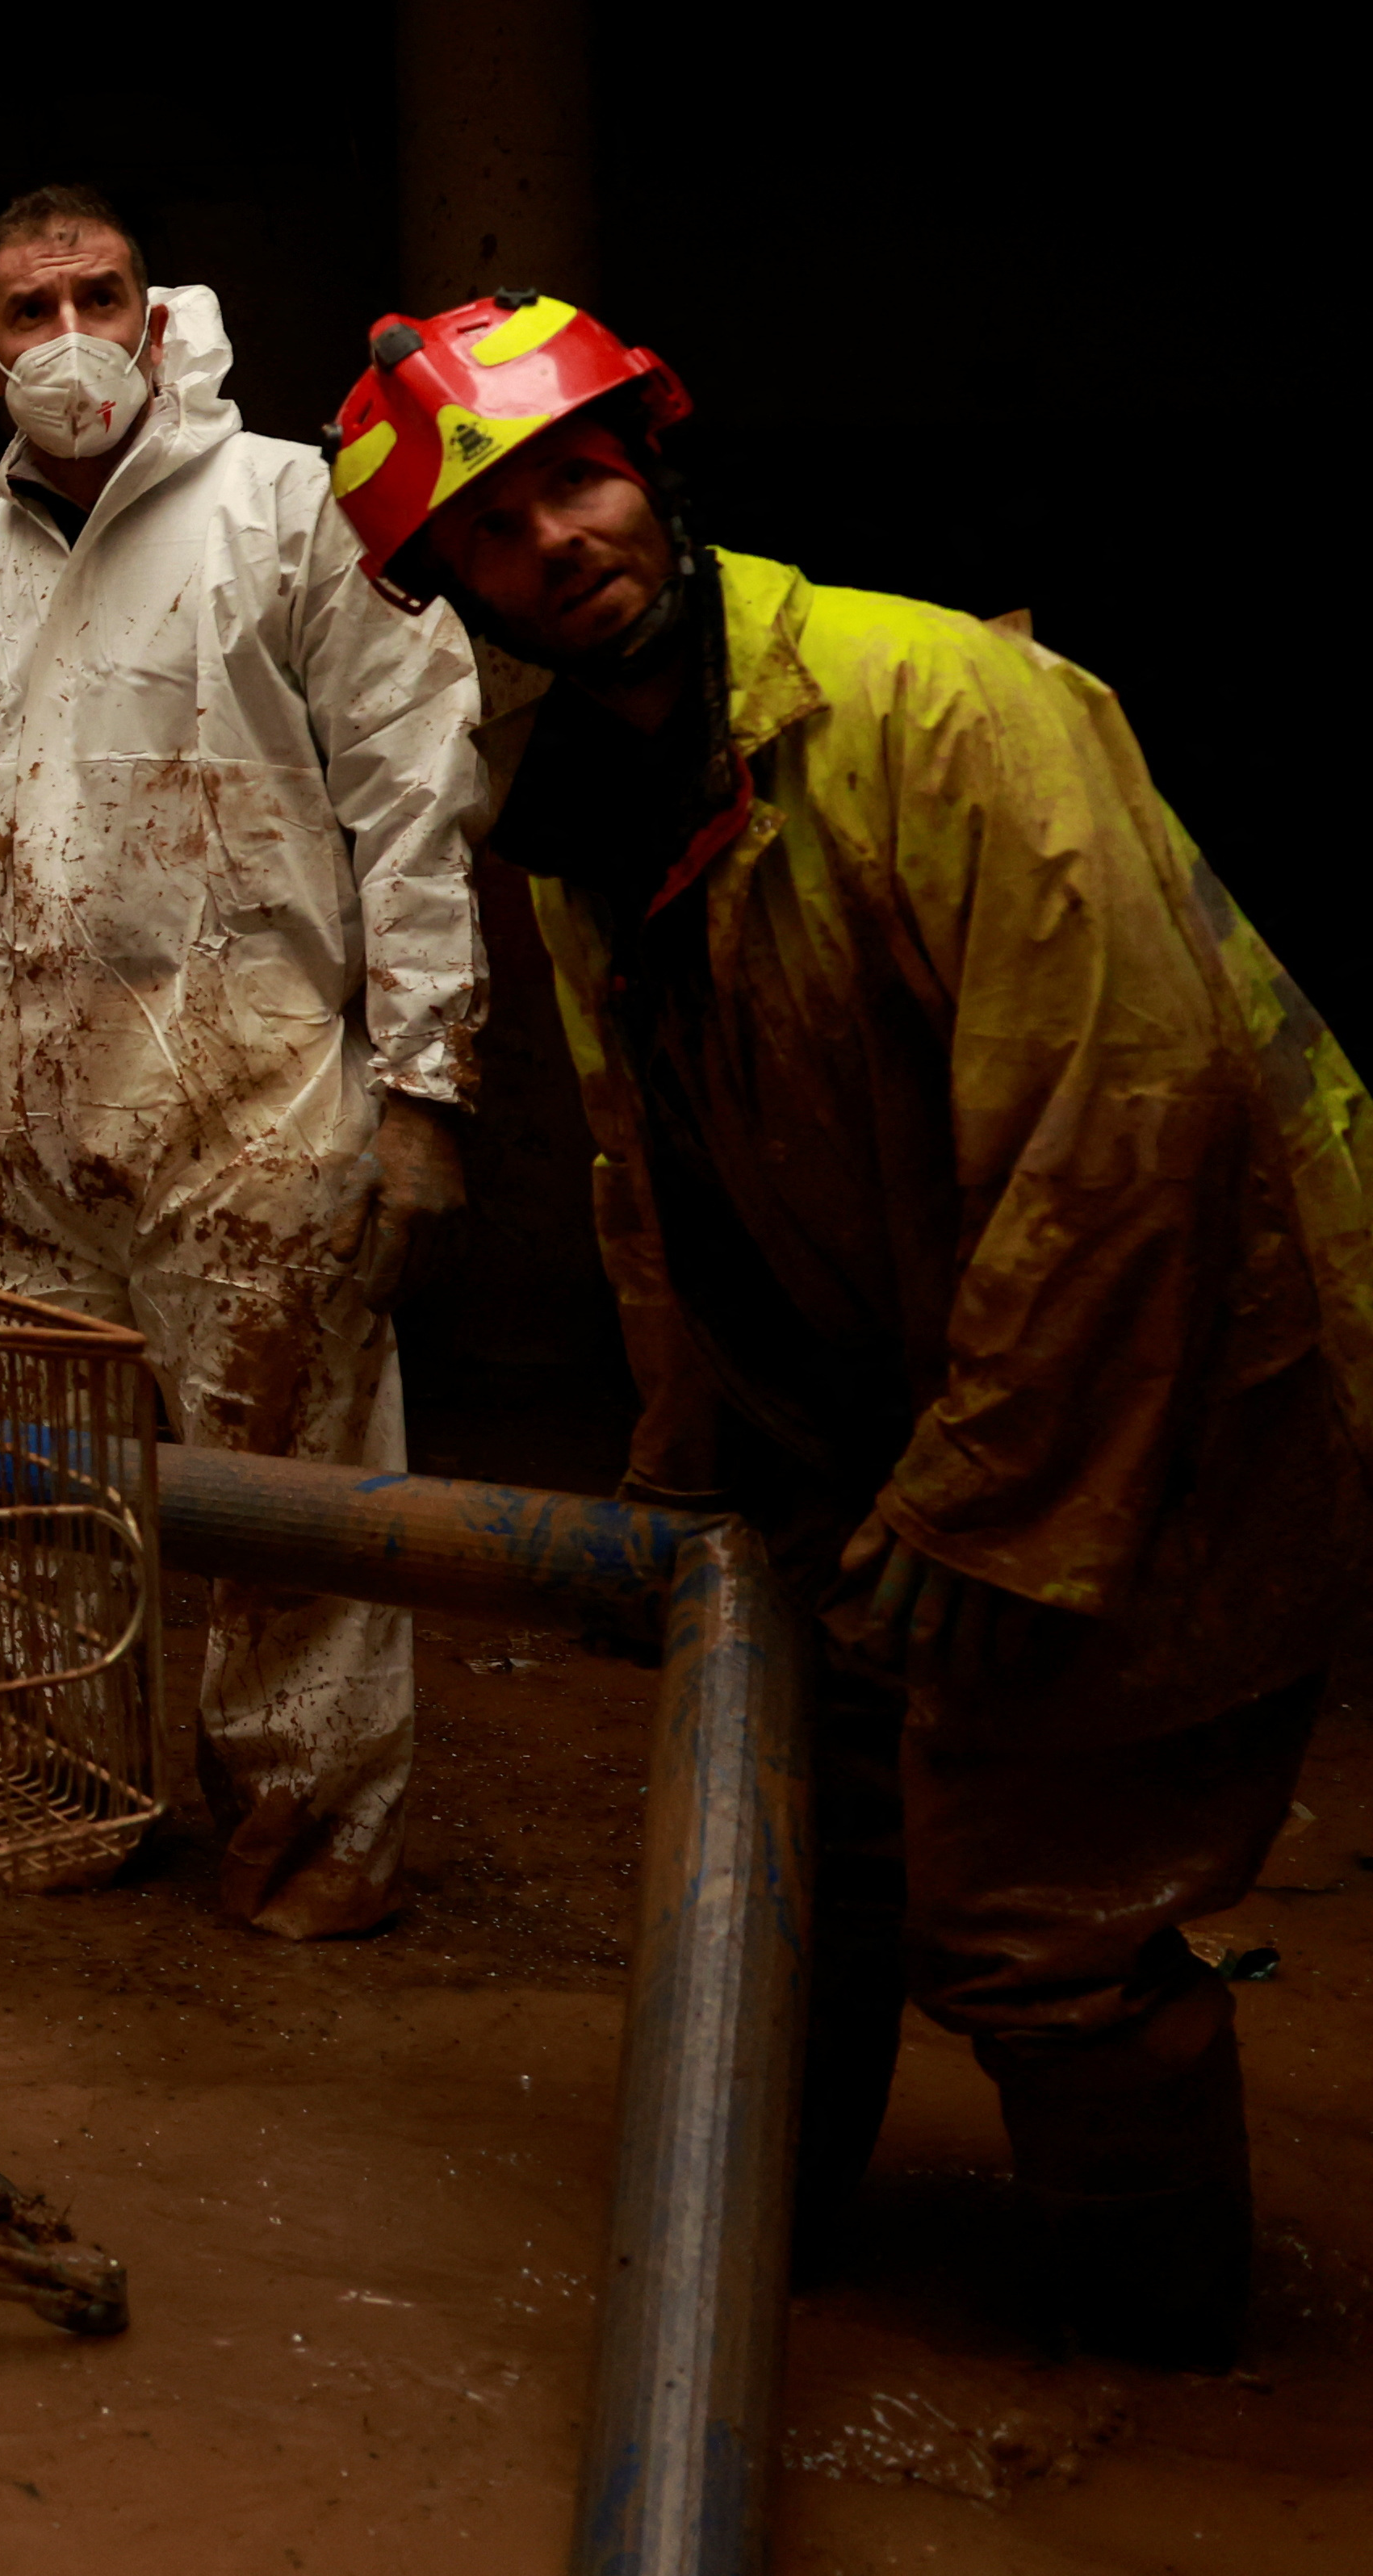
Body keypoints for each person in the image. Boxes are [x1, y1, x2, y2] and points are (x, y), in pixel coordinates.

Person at [337, 288, 1364, 2366]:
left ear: (657, 463)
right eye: (492, 526)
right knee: (789, 1827)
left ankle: (1147, 2352)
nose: (556, 540)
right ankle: (760, 2249)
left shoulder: (948, 708)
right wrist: (680, 1472)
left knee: (1036, 1919)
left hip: (1165, 1353)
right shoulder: (579, 819)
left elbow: (1125, 1127)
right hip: (895, 1372)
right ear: (440, 587)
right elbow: (661, 1175)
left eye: (579, 475)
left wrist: (986, 1494)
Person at [0, 186, 485, 1942]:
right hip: (14, 1116)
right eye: (27, 308)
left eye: (96, 294)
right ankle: (59, 1795)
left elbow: (416, 803)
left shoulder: (295, 507)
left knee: (290, 1495)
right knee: (26, 1489)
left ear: (156, 312)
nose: (67, 334)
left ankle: (311, 1828)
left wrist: (427, 1087)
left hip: (255, 1101)